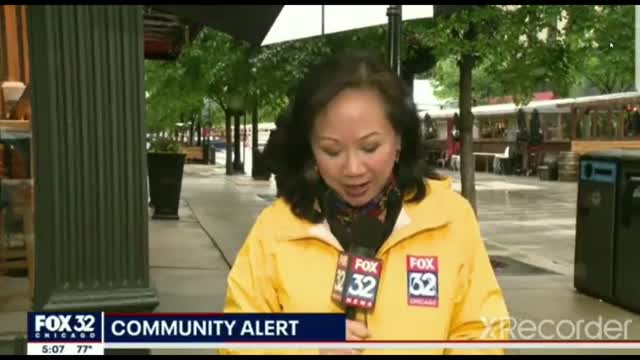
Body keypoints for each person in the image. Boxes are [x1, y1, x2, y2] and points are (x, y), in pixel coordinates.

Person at [220, 50, 510, 355]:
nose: (353, 169)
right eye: (332, 151)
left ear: (399, 138)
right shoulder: (276, 229)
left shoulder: (450, 218)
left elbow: (481, 332)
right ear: (310, 149)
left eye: (370, 147)